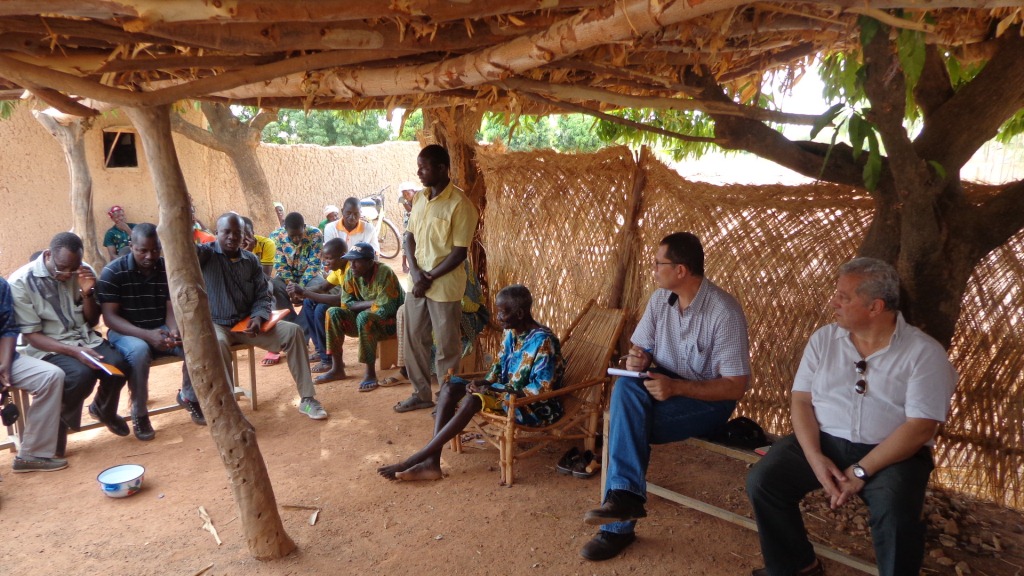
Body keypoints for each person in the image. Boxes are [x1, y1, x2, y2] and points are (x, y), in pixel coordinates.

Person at [745, 258, 957, 576]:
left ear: (875, 307)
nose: (835, 302)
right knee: (764, 481)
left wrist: (860, 471)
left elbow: (919, 427)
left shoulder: (923, 354)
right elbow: (801, 400)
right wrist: (815, 458)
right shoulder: (825, 340)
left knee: (896, 514)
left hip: (894, 453)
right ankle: (797, 566)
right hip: (827, 441)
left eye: (844, 297)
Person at [579, 231, 751, 561]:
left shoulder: (723, 312)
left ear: (681, 270)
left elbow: (735, 385)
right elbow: (640, 348)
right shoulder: (660, 300)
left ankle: (618, 525)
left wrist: (677, 388)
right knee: (627, 384)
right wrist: (638, 360)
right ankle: (626, 499)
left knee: (629, 425)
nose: (653, 270)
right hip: (666, 386)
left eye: (659, 264)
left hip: (709, 400)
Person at [379, 284, 564, 481]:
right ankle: (432, 463)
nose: (498, 317)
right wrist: (480, 382)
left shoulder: (544, 341)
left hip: (532, 407)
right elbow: (497, 370)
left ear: (519, 313)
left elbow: (539, 391)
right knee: (450, 387)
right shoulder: (511, 332)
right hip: (504, 394)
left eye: (502, 312)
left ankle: (416, 459)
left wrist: (489, 389)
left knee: (473, 399)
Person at [9, 232, 131, 457]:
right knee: (79, 375)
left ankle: (103, 410)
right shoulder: (21, 282)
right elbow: (32, 336)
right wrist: (76, 352)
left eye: (73, 268)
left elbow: (93, 321)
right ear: (48, 255)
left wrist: (87, 294)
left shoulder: (82, 271)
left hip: (83, 337)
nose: (68, 274)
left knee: (119, 365)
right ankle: (59, 423)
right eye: (63, 268)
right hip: (45, 346)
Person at [198, 213, 328, 420]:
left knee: (293, 332)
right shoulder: (204, 256)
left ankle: (308, 398)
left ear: (245, 236)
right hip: (217, 323)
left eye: (237, 233)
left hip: (248, 324)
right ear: (216, 234)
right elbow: (184, 251)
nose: (232, 237)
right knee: (218, 344)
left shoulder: (250, 260)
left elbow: (263, 295)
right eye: (226, 232)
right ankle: (229, 407)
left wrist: (258, 317)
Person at [398, 144, 480, 413]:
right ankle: (421, 394)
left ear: (442, 168)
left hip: (443, 287)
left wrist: (428, 276)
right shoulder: (420, 199)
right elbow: (408, 236)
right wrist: (416, 272)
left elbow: (459, 253)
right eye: (419, 166)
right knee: (413, 340)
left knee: (447, 347)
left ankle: (447, 399)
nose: (419, 172)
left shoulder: (460, 204)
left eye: (424, 167)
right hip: (418, 285)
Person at [96, 223, 190, 440]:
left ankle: (188, 396)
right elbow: (110, 318)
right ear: (131, 246)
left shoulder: (166, 268)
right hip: (126, 332)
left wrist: (174, 331)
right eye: (143, 250)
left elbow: (170, 308)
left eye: (155, 249)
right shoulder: (113, 272)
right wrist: (147, 335)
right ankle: (139, 412)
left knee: (191, 344)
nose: (150, 256)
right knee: (138, 352)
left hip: (160, 326)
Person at [311, 242, 403, 390]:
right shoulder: (351, 273)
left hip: (391, 324)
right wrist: (371, 302)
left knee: (364, 317)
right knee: (333, 312)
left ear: (370, 262)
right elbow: (346, 304)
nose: (352, 265)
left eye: (356, 261)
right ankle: (337, 368)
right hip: (365, 320)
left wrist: (362, 305)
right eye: (350, 261)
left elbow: (385, 308)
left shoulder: (384, 273)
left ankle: (370, 373)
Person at [0, 276, 67, 472]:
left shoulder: (1, 286)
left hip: (5, 359)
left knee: (51, 376)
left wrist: (4, 365)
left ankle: (32, 454)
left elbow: (8, 329)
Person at [268, 212, 323, 364]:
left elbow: (314, 265)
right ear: (284, 229)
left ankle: (298, 336)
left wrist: (301, 290)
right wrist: (292, 288)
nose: (297, 239)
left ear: (304, 227)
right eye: (293, 236)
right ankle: (293, 332)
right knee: (274, 286)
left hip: (309, 276)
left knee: (318, 289)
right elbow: (280, 266)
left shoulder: (316, 235)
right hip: (287, 278)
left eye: (299, 234)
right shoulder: (275, 237)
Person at [291, 238, 348, 374]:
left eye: (329, 258)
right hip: (346, 304)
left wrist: (305, 292)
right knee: (308, 302)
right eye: (325, 258)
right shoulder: (338, 269)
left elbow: (338, 300)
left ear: (343, 255)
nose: (326, 262)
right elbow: (323, 287)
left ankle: (327, 360)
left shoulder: (350, 269)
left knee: (321, 309)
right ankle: (320, 351)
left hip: (357, 307)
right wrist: (301, 292)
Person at [398, 181, 418, 273]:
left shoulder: (420, 196)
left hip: (418, 216)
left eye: (408, 193)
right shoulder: (402, 199)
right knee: (406, 239)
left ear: (414, 191)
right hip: (409, 216)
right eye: (404, 194)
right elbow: (411, 211)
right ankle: (404, 263)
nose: (406, 196)